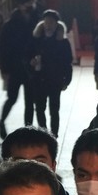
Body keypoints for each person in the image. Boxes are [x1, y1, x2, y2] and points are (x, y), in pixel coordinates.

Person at [0, 0, 38, 138]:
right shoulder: (10, 24)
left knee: (30, 101)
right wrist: (4, 69)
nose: (31, 6)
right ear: (20, 5)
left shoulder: (35, 22)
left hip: (30, 67)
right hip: (15, 67)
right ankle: (2, 121)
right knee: (12, 98)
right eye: (28, 3)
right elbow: (3, 48)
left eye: (32, 3)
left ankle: (28, 129)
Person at [29, 8, 73, 136]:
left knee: (54, 109)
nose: (48, 25)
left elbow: (67, 62)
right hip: (39, 78)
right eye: (46, 21)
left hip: (55, 79)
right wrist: (31, 62)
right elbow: (27, 55)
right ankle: (43, 132)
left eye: (51, 22)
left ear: (56, 24)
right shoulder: (36, 39)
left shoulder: (62, 42)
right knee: (39, 108)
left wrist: (67, 80)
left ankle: (54, 134)